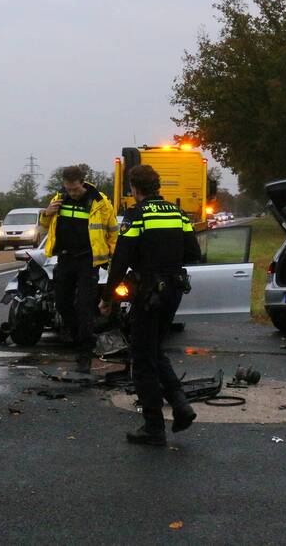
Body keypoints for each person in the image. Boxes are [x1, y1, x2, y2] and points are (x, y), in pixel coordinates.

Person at [99, 164, 201, 446]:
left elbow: (120, 260)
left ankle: (154, 427)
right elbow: (194, 252)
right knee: (154, 349)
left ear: (134, 189)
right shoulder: (179, 213)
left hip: (148, 293)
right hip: (174, 291)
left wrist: (107, 297)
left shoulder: (137, 216)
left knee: (141, 359)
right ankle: (181, 406)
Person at [40, 165, 118, 373]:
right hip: (65, 258)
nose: (71, 193)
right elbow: (46, 224)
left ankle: (85, 351)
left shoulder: (99, 202)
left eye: (74, 189)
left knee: (84, 306)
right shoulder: (59, 198)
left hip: (87, 260)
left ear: (82, 183)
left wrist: (111, 253)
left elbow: (112, 231)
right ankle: (80, 336)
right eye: (68, 188)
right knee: (62, 303)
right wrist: (47, 213)